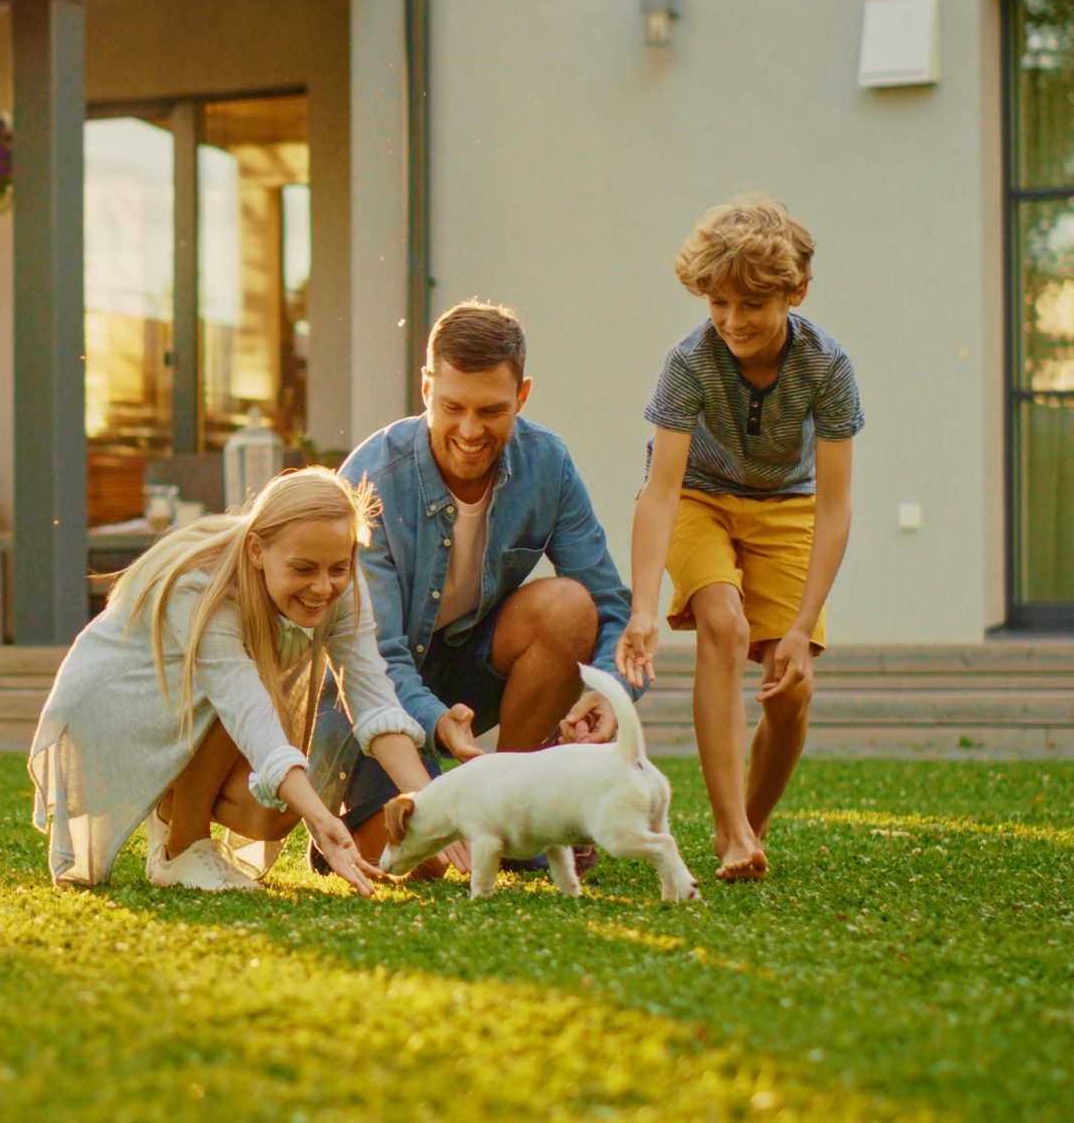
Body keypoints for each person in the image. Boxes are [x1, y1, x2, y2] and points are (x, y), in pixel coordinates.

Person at [329, 300, 638, 872]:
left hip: (467, 667)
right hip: (374, 694)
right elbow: (373, 657)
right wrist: (435, 724)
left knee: (569, 606)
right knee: (428, 864)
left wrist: (612, 690)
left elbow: (608, 603)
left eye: (492, 411)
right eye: (452, 407)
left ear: (522, 398)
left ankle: (516, 814)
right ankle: (365, 817)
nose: (470, 431)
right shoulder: (370, 479)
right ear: (425, 389)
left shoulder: (548, 464)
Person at [27, 469, 432, 895]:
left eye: (339, 567)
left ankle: (172, 809)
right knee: (250, 718)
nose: (323, 586)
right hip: (118, 707)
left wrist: (439, 807)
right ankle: (180, 849)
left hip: (197, 708)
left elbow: (373, 700)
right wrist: (321, 818)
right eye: (303, 568)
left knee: (271, 814)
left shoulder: (339, 584)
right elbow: (243, 707)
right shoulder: (203, 587)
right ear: (257, 550)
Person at [616, 198, 861, 882]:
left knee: (790, 690)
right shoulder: (690, 361)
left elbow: (836, 504)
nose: (732, 322)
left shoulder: (827, 366)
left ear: (796, 292)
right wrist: (642, 610)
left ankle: (751, 827)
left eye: (751, 305)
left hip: (789, 506)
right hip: (700, 499)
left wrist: (804, 624)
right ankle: (728, 832)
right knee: (722, 623)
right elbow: (660, 490)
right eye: (718, 303)